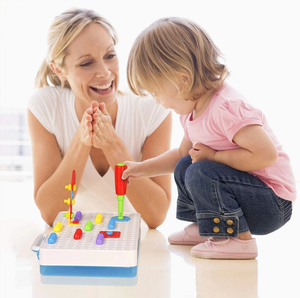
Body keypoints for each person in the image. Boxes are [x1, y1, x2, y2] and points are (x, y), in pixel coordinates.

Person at [122, 17, 297, 259]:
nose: (157, 101)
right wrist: (142, 169)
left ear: (182, 80)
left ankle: (240, 241)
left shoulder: (226, 108)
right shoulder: (191, 113)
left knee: (199, 170)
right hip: (243, 194)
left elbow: (266, 155)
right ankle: (207, 227)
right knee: (188, 164)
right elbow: (182, 155)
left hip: (272, 203)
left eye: (156, 91)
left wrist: (214, 156)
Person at [27, 8, 172, 230]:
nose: (105, 72)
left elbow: (155, 216)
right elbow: (50, 213)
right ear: (59, 70)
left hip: (136, 243)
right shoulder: (45, 107)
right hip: (75, 240)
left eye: (110, 56)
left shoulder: (152, 108)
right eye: (86, 63)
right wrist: (81, 141)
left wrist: (113, 146)